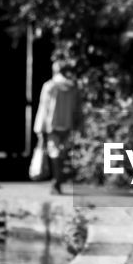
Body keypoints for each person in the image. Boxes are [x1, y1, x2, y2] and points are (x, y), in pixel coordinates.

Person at [33, 60, 83, 194]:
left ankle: (56, 182)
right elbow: (78, 109)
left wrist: (40, 128)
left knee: (54, 153)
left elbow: (44, 108)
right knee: (62, 153)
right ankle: (58, 181)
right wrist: (78, 125)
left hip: (52, 125)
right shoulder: (73, 88)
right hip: (67, 125)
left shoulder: (49, 86)